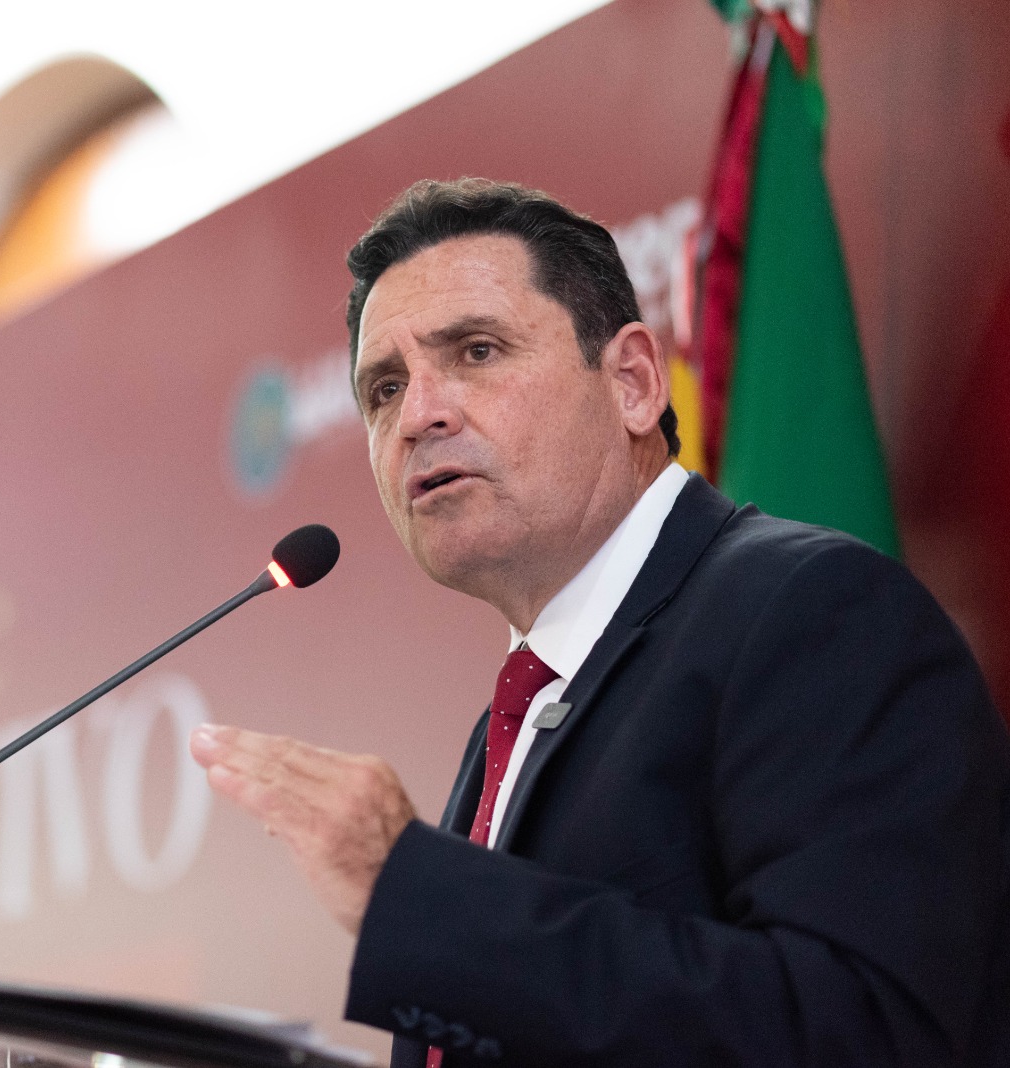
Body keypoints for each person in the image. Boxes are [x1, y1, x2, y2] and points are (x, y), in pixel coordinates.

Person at [189, 178, 1010, 1066]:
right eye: (384, 389)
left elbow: (864, 1033)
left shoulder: (814, 613)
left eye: (476, 350)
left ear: (633, 383)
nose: (419, 415)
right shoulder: (517, 719)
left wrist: (432, 901)